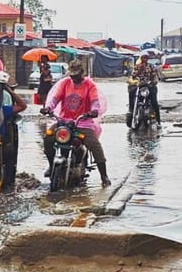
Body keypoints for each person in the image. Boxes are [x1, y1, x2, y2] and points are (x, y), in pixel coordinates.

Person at [42, 59, 111, 187]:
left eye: (76, 75)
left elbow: (95, 101)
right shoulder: (65, 83)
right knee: (48, 138)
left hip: (83, 122)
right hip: (64, 121)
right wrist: (48, 108)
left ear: (82, 73)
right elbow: (55, 98)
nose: (74, 77)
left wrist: (94, 111)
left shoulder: (89, 85)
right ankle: (51, 166)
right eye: (72, 75)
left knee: (94, 145)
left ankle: (104, 176)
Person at [128, 51, 161, 126]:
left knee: (154, 101)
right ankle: (131, 109)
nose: (145, 59)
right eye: (143, 57)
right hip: (140, 85)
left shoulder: (151, 66)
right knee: (131, 92)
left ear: (148, 58)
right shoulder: (137, 66)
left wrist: (153, 82)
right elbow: (133, 76)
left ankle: (158, 121)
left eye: (146, 57)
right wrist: (138, 71)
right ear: (141, 58)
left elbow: (155, 76)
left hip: (150, 86)